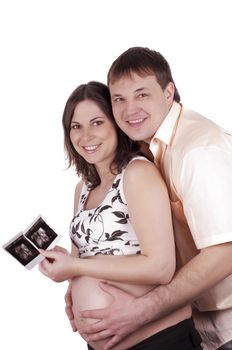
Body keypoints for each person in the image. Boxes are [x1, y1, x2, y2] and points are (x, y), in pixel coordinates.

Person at [71, 48, 232, 350]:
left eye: (142, 94)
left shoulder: (198, 150)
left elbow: (227, 252)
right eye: (119, 98)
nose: (130, 109)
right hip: (200, 319)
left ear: (168, 91)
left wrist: (142, 310)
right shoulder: (150, 147)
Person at [38, 81, 202, 349]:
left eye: (97, 123)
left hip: (159, 340)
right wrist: (72, 283)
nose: (85, 135)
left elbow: (160, 268)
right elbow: (88, 258)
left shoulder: (137, 174)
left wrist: (76, 268)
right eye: (76, 126)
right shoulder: (83, 188)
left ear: (116, 123)